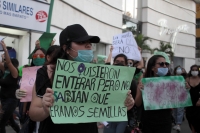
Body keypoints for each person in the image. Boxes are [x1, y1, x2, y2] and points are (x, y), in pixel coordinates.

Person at [29, 24, 135, 133]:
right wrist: (45, 110)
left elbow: (105, 107)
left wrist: (123, 104)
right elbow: (33, 113)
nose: (88, 46)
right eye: (81, 42)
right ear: (66, 48)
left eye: (89, 43)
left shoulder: (97, 74)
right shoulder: (47, 72)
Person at [135, 55, 190, 133]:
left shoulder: (172, 82)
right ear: (152, 67)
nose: (164, 66)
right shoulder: (144, 81)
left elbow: (175, 105)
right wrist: (140, 90)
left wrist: (185, 90)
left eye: (166, 64)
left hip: (165, 121)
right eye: (161, 64)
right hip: (148, 122)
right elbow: (137, 103)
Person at [103, 54, 137, 133]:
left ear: (126, 65)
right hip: (109, 115)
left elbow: (134, 100)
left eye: (122, 62)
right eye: (117, 61)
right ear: (113, 63)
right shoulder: (106, 79)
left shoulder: (131, 81)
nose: (119, 64)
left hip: (123, 116)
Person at [0, 41, 20, 133]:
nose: (5, 62)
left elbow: (8, 62)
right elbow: (3, 63)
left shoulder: (14, 72)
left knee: (1, 123)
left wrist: (5, 49)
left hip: (11, 101)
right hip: (4, 100)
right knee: (11, 121)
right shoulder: (5, 72)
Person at [186, 65, 200, 133]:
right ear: (191, 71)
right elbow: (183, 91)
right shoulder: (188, 79)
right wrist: (186, 88)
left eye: (196, 70)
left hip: (199, 103)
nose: (194, 71)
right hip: (190, 104)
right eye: (193, 70)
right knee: (191, 121)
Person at [172, 66, 186, 132]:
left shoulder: (184, 78)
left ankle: (178, 124)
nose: (179, 70)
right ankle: (176, 123)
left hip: (181, 96)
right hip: (174, 96)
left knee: (180, 110)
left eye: (180, 69)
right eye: (178, 68)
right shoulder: (172, 78)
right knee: (175, 111)